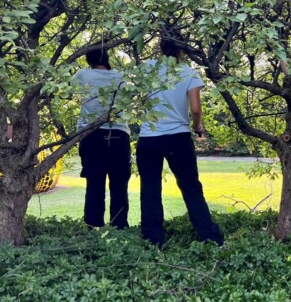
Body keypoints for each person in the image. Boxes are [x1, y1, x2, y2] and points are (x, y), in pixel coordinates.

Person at [136, 37, 223, 247]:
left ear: (160, 47)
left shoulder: (146, 69)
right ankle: (208, 237)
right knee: (191, 186)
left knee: (150, 188)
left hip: (149, 136)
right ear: (181, 50)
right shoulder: (188, 72)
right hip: (178, 138)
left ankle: (152, 239)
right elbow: (195, 109)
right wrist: (197, 126)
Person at [72, 48, 131, 229]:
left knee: (94, 185)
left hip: (91, 135)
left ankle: (93, 226)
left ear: (88, 59)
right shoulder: (121, 76)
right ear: (106, 58)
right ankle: (119, 227)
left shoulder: (83, 75)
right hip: (118, 135)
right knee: (119, 186)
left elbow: (65, 91)